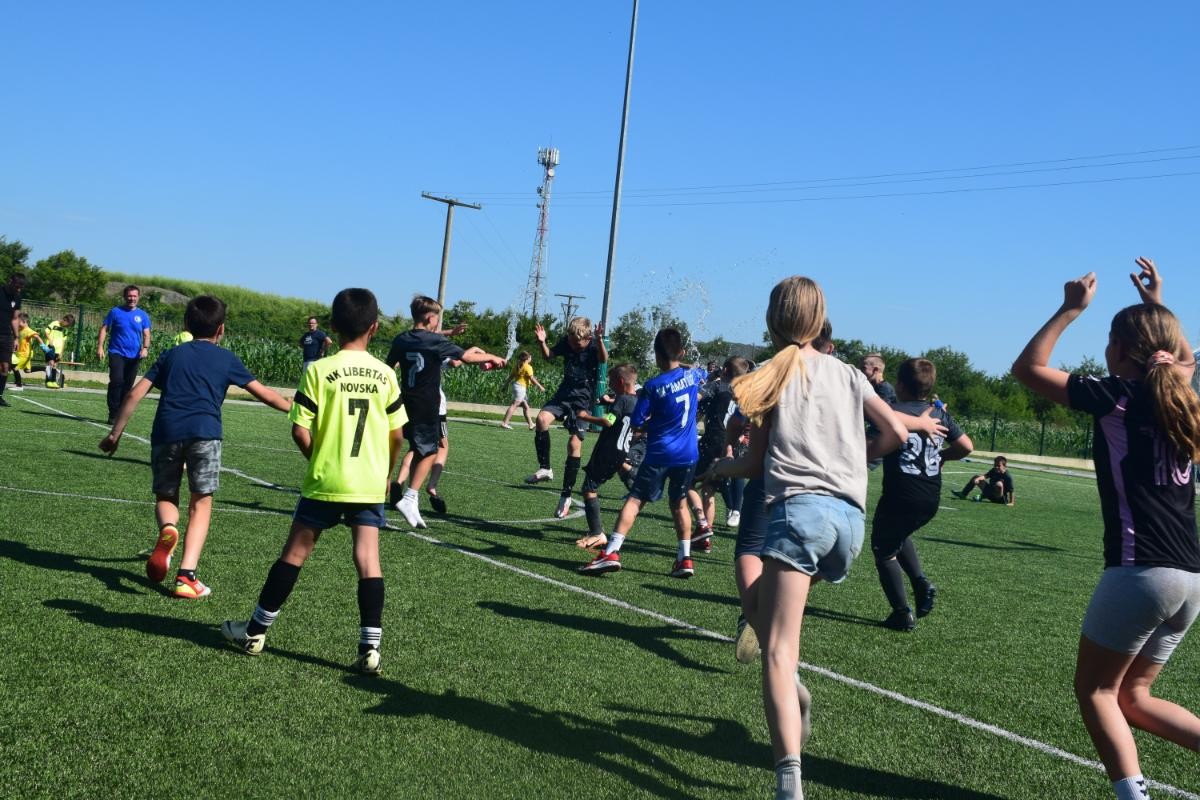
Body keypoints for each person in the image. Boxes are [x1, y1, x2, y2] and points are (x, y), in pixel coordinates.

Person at [705, 277, 906, 799]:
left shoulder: (769, 375)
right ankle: (794, 691)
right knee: (758, 606)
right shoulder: (850, 373)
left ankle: (789, 783)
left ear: (771, 321)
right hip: (849, 523)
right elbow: (897, 433)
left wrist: (720, 469)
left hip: (799, 516)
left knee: (776, 650)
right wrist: (852, 461)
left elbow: (753, 462)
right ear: (819, 320)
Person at [1012, 257, 1200, 800]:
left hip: (1141, 573)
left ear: (1119, 349)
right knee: (1133, 698)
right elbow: (1183, 361)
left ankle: (1131, 794)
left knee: (1096, 691)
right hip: (1190, 577)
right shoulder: (1181, 395)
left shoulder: (1116, 395)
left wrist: (1069, 310)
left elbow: (1028, 369)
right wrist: (1156, 307)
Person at [222, 288, 407, 675]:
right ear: (374, 328)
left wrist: (319, 459)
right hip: (369, 484)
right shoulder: (387, 375)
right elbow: (397, 435)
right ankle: (370, 649)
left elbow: (299, 430)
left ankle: (255, 632)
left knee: (294, 555)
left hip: (326, 480)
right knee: (368, 560)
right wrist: (387, 475)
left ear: (332, 326)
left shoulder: (319, 371)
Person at [99, 296, 291, 598]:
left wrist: (115, 434)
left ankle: (168, 528)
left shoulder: (171, 355)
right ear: (221, 329)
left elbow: (134, 394)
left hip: (166, 432)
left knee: (167, 494)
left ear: (186, 325)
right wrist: (294, 408)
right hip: (206, 434)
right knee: (200, 503)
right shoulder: (227, 359)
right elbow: (264, 394)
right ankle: (186, 576)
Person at [578, 329, 706, 579]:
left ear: (656, 355)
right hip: (689, 454)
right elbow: (700, 371)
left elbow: (637, 422)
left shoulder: (653, 386)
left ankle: (611, 552)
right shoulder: (692, 375)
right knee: (679, 504)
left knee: (635, 500)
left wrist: (654, 422)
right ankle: (685, 558)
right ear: (681, 352)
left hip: (661, 453)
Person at [871, 358, 973, 631]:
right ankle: (920, 583)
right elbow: (966, 446)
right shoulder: (937, 413)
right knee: (899, 533)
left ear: (901, 385)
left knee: (883, 550)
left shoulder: (893, 410)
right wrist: (943, 457)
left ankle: (902, 613)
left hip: (901, 492)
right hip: (930, 494)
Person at [387, 295, 504, 529]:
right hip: (427, 403)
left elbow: (388, 368)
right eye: (437, 318)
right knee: (431, 451)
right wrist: (493, 356)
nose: (437, 323)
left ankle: (409, 496)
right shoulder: (435, 341)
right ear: (430, 318)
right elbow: (466, 357)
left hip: (405, 401)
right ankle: (410, 496)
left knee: (417, 449)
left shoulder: (402, 339)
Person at [527, 317, 608, 521]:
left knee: (573, 444)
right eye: (570, 341)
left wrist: (600, 341)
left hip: (582, 401)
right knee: (541, 419)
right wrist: (542, 342)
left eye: (576, 343)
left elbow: (603, 359)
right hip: (563, 395)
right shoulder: (568, 341)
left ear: (587, 338)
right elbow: (549, 356)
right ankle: (545, 468)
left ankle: (566, 496)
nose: (572, 345)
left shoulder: (593, 346)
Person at [571, 363, 639, 551]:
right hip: (622, 450)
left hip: (608, 451)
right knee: (620, 474)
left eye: (611, 381)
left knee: (589, 488)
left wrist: (584, 416)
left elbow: (608, 421)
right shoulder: (637, 401)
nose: (609, 384)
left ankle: (597, 533)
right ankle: (636, 479)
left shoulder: (622, 399)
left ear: (620, 381)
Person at [687, 356, 750, 552]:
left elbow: (696, 397)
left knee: (687, 484)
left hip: (712, 443)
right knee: (709, 490)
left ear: (724, 371)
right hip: (732, 446)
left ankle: (702, 524)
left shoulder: (717, 386)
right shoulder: (745, 393)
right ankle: (704, 539)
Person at [97, 285, 152, 424]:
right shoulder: (115, 312)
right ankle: (113, 413)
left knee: (127, 386)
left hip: (134, 356)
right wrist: (100, 347)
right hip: (116, 352)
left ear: (138, 297)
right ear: (124, 296)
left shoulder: (143, 315)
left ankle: (120, 412)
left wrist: (145, 348)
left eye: (134, 296)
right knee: (116, 381)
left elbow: (146, 334)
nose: (132, 298)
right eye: (129, 296)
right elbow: (104, 329)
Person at [0, 272, 27, 407]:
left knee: (5, 366)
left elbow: (15, 319)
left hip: (6, 336)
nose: (18, 289)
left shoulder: (17, 298)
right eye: (17, 286)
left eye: (21, 287)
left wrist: (16, 338)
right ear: (10, 281)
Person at [500, 350, 545, 430]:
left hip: (516, 387)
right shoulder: (528, 367)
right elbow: (532, 378)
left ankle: (531, 424)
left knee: (526, 407)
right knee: (514, 405)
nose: (531, 358)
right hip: (521, 388)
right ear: (527, 358)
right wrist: (540, 386)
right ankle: (505, 423)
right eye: (530, 357)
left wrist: (505, 385)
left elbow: (510, 377)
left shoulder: (517, 366)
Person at [9, 313, 44, 389]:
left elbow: (37, 336)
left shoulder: (28, 330)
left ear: (24, 322)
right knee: (27, 370)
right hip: (21, 353)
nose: (17, 324)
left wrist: (43, 346)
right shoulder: (20, 330)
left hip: (25, 354)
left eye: (19, 322)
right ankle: (45, 368)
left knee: (15, 367)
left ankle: (19, 386)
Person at [43, 313, 75, 388]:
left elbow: (63, 341)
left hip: (58, 350)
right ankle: (48, 381)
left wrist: (61, 352)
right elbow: (46, 331)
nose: (67, 327)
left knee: (55, 365)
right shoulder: (54, 323)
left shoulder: (65, 330)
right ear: (65, 320)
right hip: (50, 348)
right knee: (50, 364)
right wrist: (50, 339)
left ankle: (53, 381)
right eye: (67, 325)